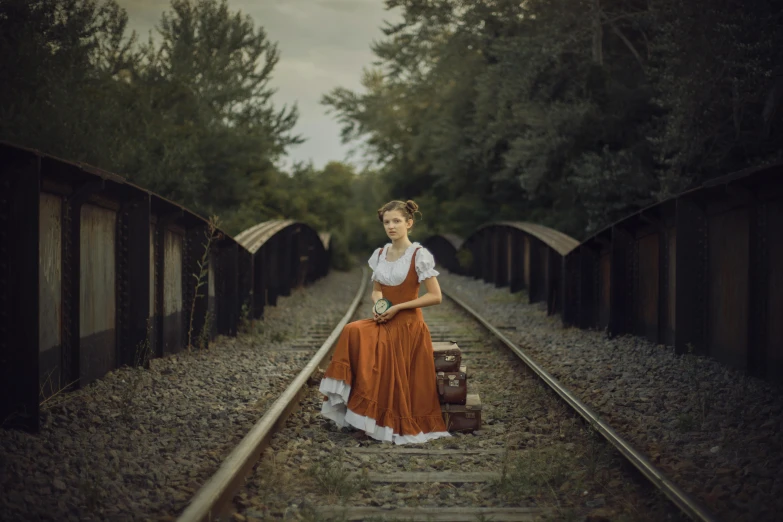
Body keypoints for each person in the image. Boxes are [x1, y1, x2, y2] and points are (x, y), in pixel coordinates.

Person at [319, 200, 451, 444]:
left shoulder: (419, 255)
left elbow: (436, 297)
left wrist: (398, 308)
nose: (391, 226)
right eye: (387, 222)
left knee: (372, 345)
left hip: (408, 325)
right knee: (353, 330)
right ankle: (363, 415)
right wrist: (380, 305)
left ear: (408, 223)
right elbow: (377, 289)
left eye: (397, 221)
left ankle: (374, 417)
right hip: (385, 318)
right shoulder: (380, 254)